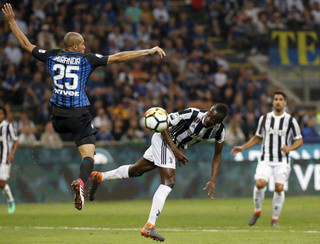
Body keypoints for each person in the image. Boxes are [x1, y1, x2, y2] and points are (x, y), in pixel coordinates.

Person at [2, 3, 166, 211]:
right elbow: (119, 57)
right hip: (78, 116)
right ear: (74, 46)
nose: (85, 46)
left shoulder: (51, 55)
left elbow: (26, 44)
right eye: (82, 43)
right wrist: (149, 50)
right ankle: (80, 181)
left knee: (76, 140)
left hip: (57, 118)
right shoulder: (87, 60)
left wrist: (11, 21)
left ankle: (79, 184)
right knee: (88, 156)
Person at [89, 104, 228, 241]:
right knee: (169, 182)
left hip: (174, 147)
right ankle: (149, 225)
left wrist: (213, 179)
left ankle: (100, 176)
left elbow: (218, 154)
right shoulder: (192, 113)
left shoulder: (219, 131)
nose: (208, 118)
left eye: (213, 119)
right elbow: (163, 124)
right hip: (164, 140)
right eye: (209, 114)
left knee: (136, 170)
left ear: (219, 122)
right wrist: (174, 150)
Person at [231, 91, 303, 227]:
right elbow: (258, 137)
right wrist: (243, 147)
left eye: (281, 99)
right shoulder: (264, 119)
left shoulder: (290, 120)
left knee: (279, 187)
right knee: (260, 184)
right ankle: (257, 211)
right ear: (272, 102)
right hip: (266, 159)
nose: (278, 101)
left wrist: (290, 148)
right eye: (276, 99)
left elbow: (299, 140)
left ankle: (275, 219)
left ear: (285, 103)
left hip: (282, 160)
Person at [0, 106, 18, 214]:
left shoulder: (8, 126)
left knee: (2, 183)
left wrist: (11, 154)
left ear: (4, 115)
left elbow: (15, 141)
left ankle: (10, 200)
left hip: (4, 159)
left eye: (1, 113)